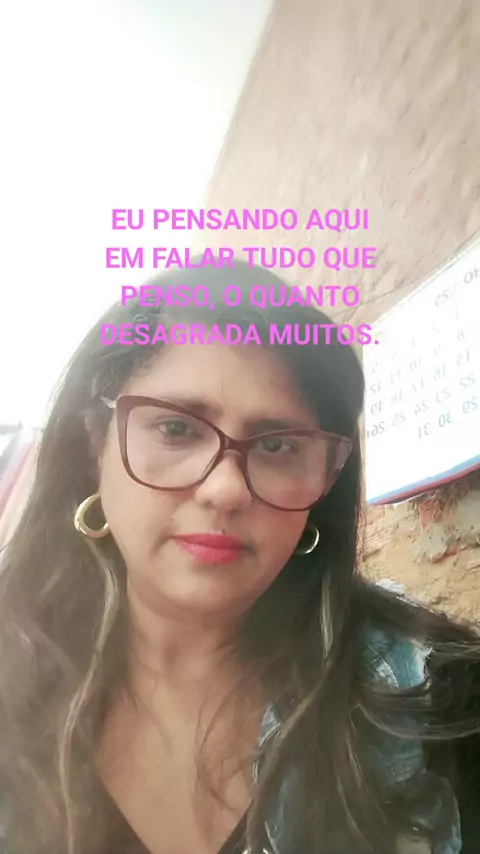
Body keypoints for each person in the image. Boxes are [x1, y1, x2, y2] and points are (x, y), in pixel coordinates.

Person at [0, 260, 479, 854]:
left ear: (326, 479)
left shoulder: (442, 701)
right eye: (176, 430)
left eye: (277, 445)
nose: (225, 490)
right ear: (97, 443)